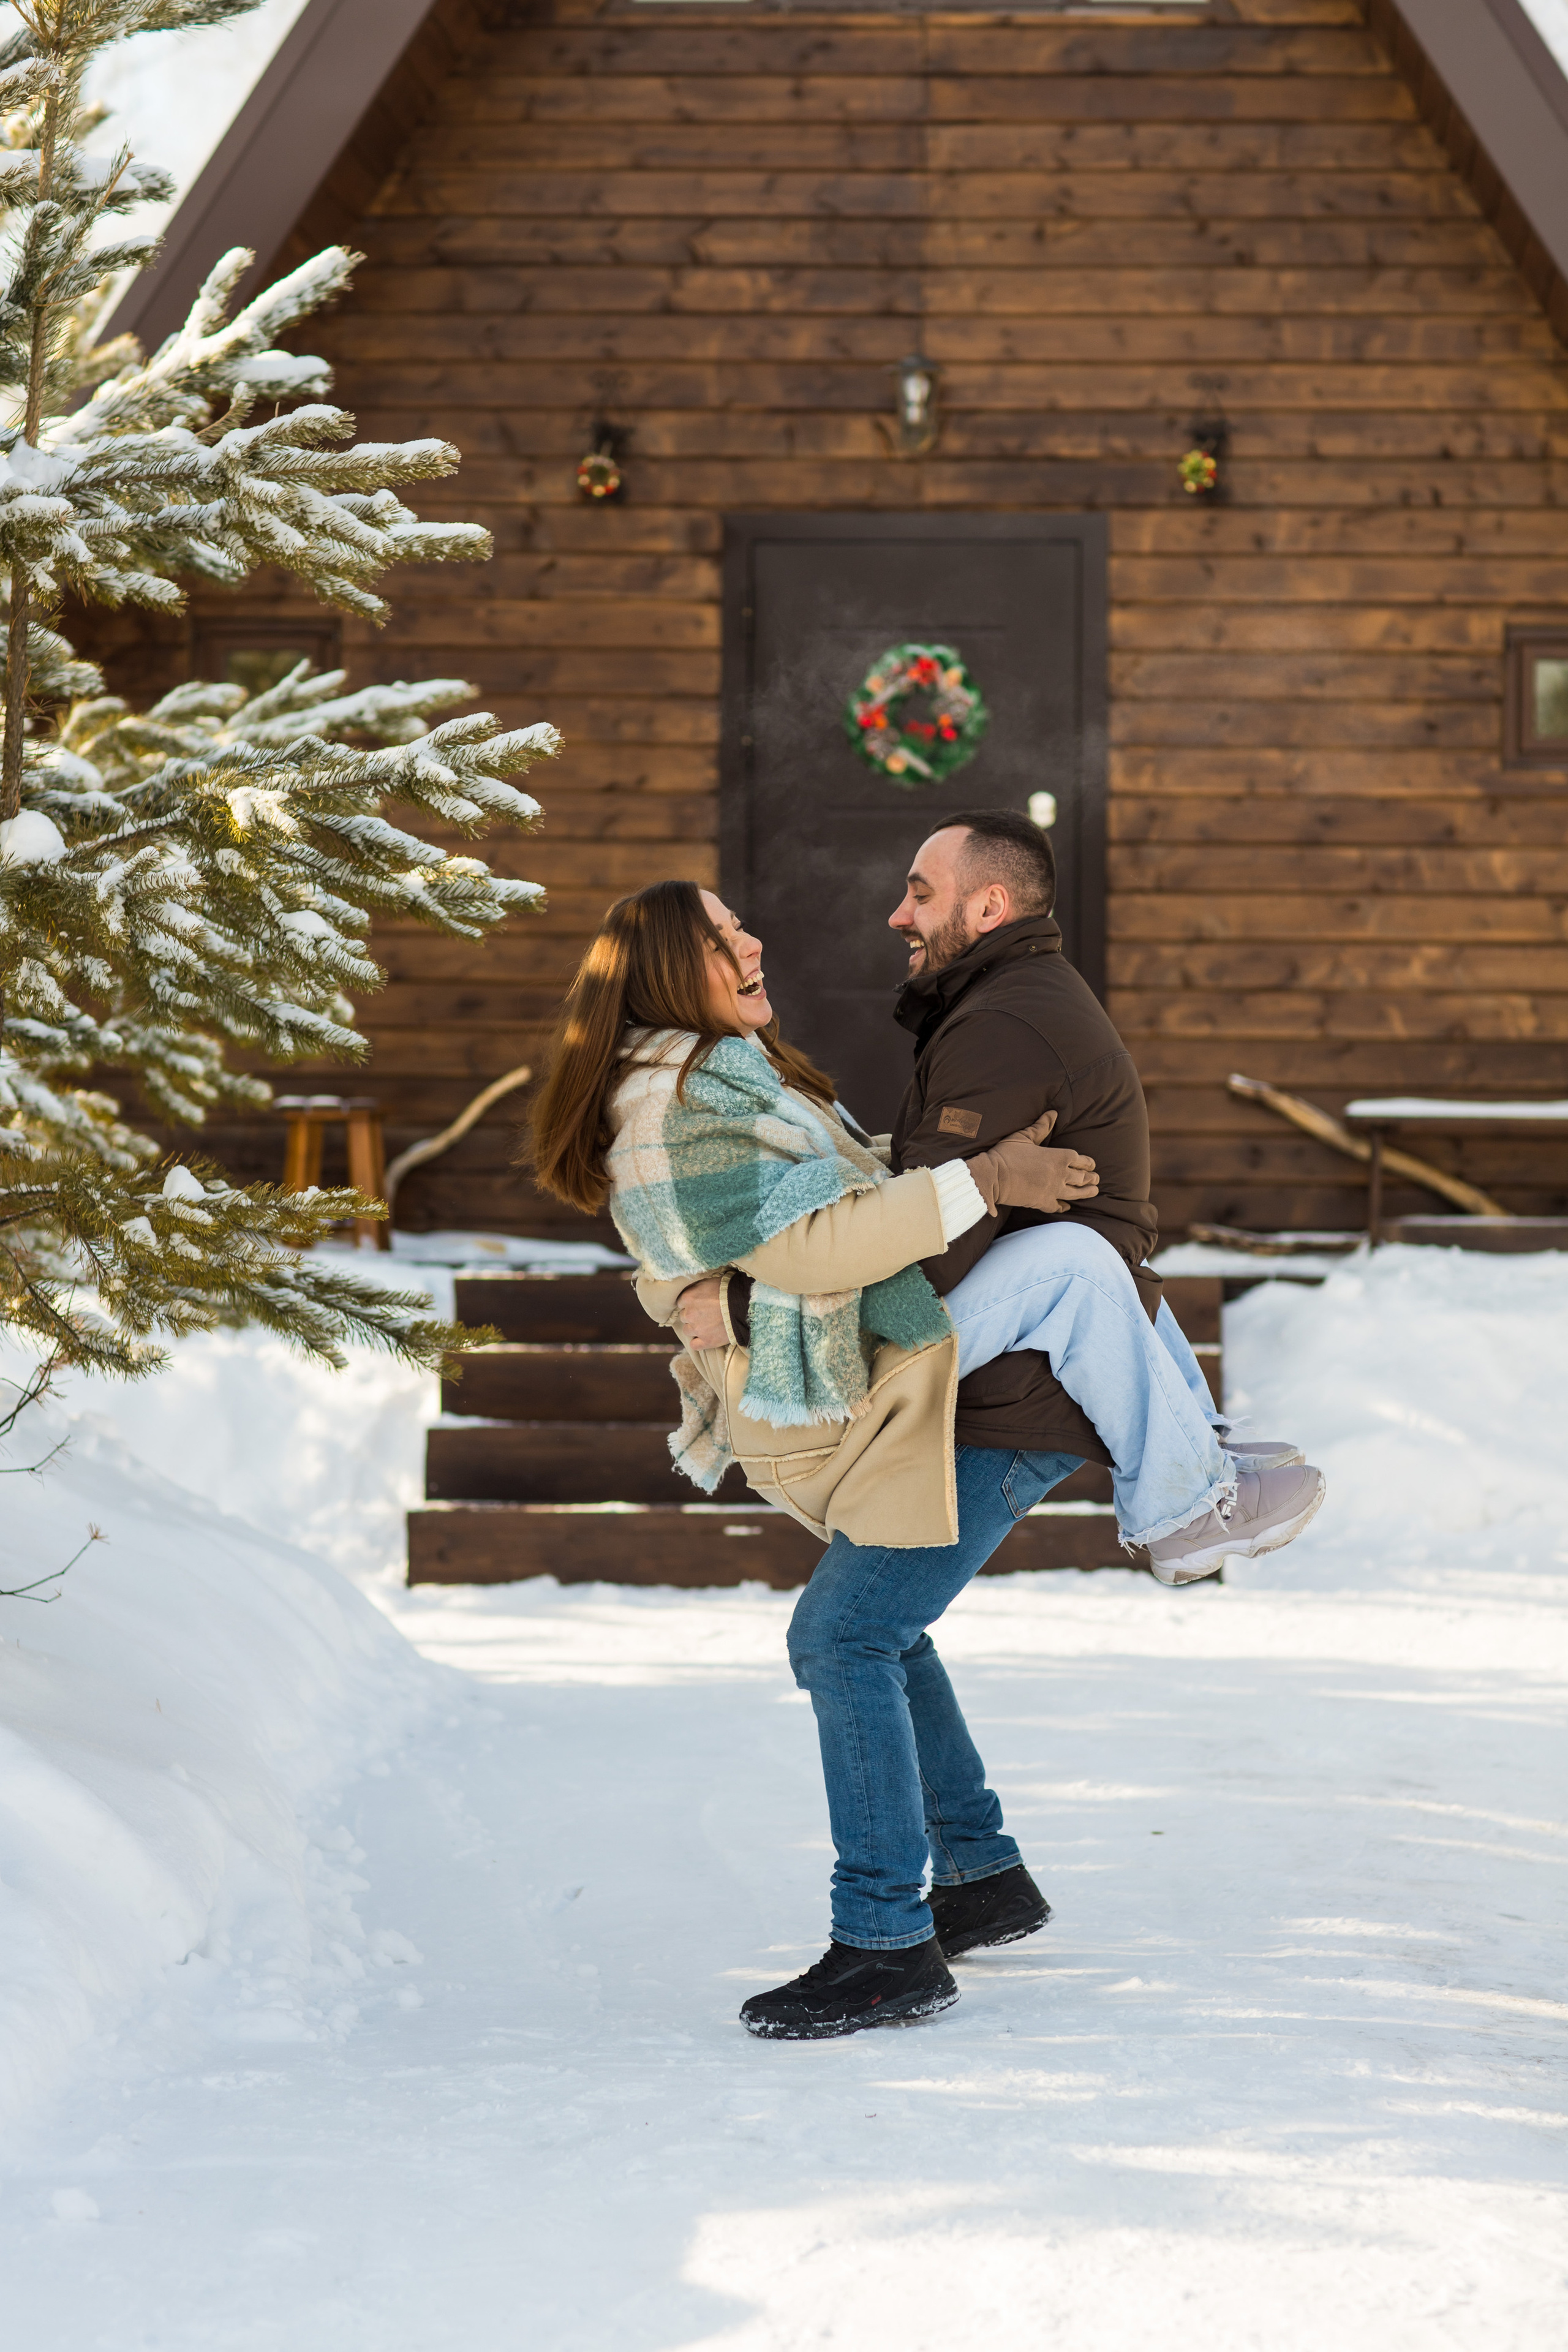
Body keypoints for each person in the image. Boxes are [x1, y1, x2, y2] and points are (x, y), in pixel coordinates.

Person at [530, 854, 1323, 2040]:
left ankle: (963, 1886)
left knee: (869, 1617)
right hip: (836, 1372)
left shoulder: (718, 1074)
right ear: (663, 974)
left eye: (743, 928)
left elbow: (751, 1242)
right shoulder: (681, 1094)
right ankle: (896, 1930)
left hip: (851, 1347)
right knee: (861, 1617)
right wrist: (984, 1178)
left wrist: (725, 1292)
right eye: (722, 939)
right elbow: (807, 1248)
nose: (754, 947)